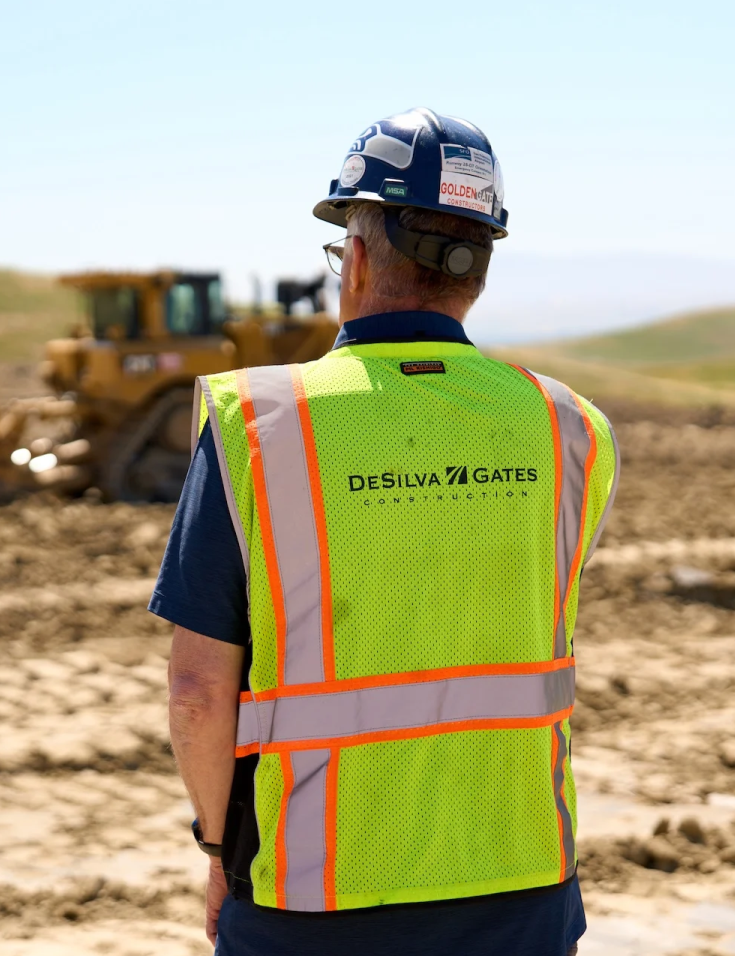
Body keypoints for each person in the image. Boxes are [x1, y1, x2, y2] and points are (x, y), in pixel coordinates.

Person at [150, 107, 619, 956]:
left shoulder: (258, 423)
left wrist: (219, 849)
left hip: (312, 892)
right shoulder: (571, 428)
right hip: (522, 884)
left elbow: (198, 692)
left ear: (356, 258)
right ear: (476, 271)